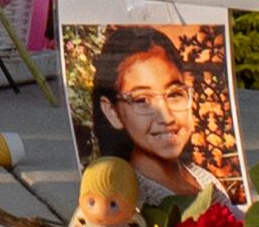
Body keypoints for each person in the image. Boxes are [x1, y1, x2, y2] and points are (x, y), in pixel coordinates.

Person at [85, 25, 240, 212]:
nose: (166, 117)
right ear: (112, 112)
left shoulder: (205, 179)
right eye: (142, 100)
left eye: (174, 94)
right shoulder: (128, 201)